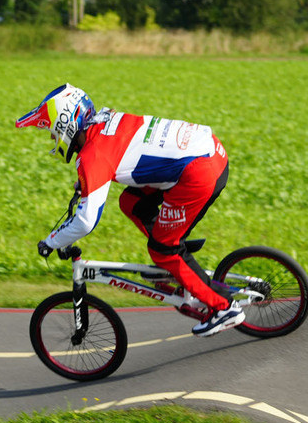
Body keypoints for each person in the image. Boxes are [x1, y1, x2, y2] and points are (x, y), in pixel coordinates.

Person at [16, 83, 244, 337]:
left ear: (66, 125)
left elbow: (86, 220)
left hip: (199, 173)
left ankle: (224, 308)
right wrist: (87, 182)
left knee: (162, 250)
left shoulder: (93, 155)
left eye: (51, 130)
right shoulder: (104, 120)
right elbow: (123, 152)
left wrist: (52, 241)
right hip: (208, 152)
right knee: (131, 203)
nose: (51, 138)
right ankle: (176, 255)